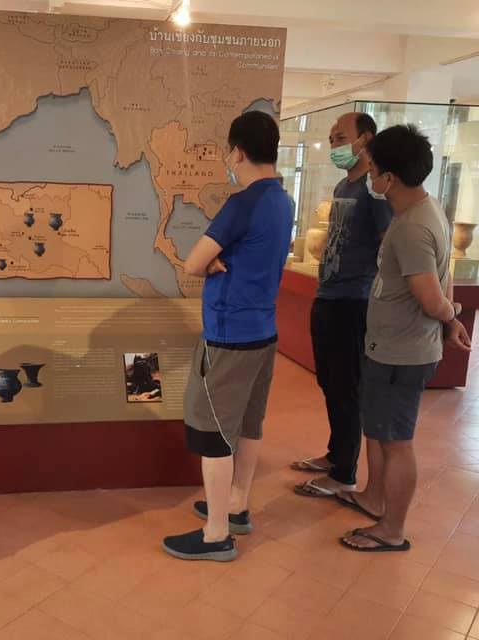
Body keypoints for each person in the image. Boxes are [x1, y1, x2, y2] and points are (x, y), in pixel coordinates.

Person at [163, 111, 293, 562]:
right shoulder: (282, 200)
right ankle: (236, 506)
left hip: (228, 336)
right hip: (263, 332)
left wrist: (212, 262)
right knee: (249, 424)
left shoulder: (243, 203)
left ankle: (216, 534)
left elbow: (193, 263)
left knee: (214, 432)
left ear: (237, 152)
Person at [339, 124, 470, 552]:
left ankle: (391, 529)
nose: (370, 176)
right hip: (391, 347)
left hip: (402, 353)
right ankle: (374, 498)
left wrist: (451, 316)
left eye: (373, 168)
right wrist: (449, 319)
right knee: (379, 432)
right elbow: (443, 277)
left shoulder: (414, 226)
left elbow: (431, 297)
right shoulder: (422, 211)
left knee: (397, 443)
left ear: (390, 178)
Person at [292, 113, 392, 498]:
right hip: (329, 296)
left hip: (355, 301)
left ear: (364, 139)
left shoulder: (374, 191)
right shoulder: (343, 185)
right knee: (330, 382)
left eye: (340, 137)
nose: (334, 144)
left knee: (346, 386)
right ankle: (335, 455)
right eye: (332, 138)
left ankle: (344, 473)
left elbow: (388, 244)